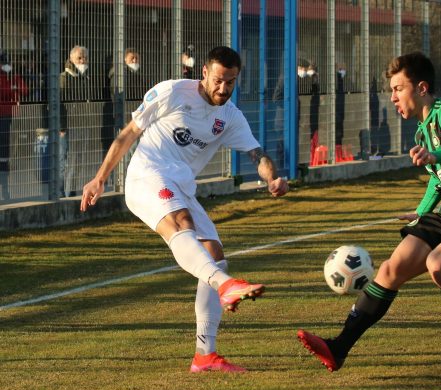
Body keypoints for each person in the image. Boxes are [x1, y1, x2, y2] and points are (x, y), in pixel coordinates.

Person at [297, 51, 441, 382]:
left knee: (439, 264)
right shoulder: (422, 131)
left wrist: (437, 153)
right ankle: (338, 348)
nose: (392, 97)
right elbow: (439, 175)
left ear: (421, 88)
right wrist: (421, 211)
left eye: (397, 88)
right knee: (390, 270)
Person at [80, 46, 289, 372]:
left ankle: (204, 355)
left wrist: (273, 176)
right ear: (204, 72)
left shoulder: (230, 116)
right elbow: (128, 134)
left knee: (214, 252)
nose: (223, 89)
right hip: (146, 177)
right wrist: (99, 178)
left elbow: (256, 155)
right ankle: (225, 285)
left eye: (231, 82)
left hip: (181, 187)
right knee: (183, 221)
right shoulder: (172, 92)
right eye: (219, 80)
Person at [59, 45, 92, 197]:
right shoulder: (64, 78)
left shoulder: (86, 77)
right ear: (71, 59)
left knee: (79, 159)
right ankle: (60, 192)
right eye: (79, 57)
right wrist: (62, 127)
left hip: (83, 124)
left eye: (85, 57)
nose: (83, 60)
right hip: (68, 127)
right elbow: (59, 104)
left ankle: (71, 190)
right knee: (66, 161)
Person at [0, 50, 29, 201]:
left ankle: (5, 190)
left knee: (6, 155)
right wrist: (12, 89)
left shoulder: (13, 76)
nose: (5, 65)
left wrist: (14, 87)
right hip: (3, 115)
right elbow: (4, 92)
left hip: (9, 116)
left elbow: (25, 90)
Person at [335, 62, 346, 146]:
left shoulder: (344, 79)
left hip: (340, 110)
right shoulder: (335, 78)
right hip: (337, 110)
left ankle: (338, 150)